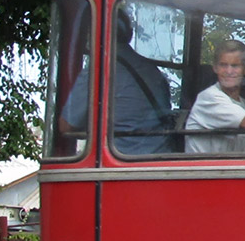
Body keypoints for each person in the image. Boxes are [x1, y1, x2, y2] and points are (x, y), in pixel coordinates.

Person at [59, 15, 175, 155]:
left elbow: (66, 125)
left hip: (124, 158)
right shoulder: (153, 71)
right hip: (161, 156)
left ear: (95, 35)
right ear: (130, 35)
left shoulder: (97, 69)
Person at [185, 40, 245, 153]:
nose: (229, 71)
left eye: (235, 66)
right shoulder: (209, 98)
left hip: (230, 169)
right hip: (202, 170)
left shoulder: (244, 105)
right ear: (215, 68)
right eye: (223, 65)